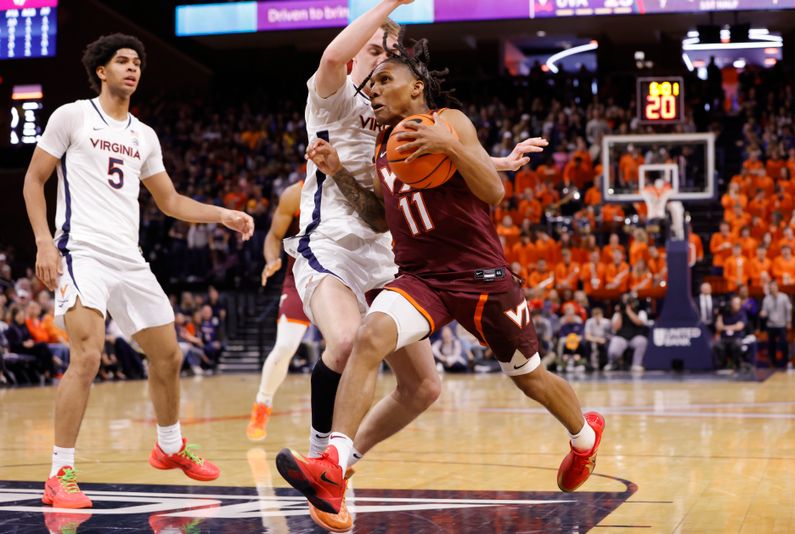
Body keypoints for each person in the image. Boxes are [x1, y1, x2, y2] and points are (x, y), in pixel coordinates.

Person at [276, 36, 604, 516]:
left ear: (416, 87)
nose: (374, 90)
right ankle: (332, 465)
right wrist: (341, 173)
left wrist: (450, 145)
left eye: (384, 80)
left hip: (482, 279)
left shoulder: (450, 122)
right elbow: (379, 218)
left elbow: (492, 191)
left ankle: (584, 437)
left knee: (531, 379)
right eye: (371, 84)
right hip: (420, 278)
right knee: (369, 336)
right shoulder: (383, 147)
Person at [22, 34, 254, 509]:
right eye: (122, 61)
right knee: (86, 356)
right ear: (101, 71)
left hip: (129, 258)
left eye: (137, 63)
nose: (133, 68)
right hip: (80, 251)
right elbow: (33, 179)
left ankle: (169, 447)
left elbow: (169, 202)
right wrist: (45, 242)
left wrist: (222, 215)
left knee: (168, 355)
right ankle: (59, 473)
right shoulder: (72, 115)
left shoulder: (143, 135)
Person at [247, 181, 312, 441]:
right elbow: (273, 236)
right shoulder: (295, 193)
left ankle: (336, 430)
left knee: (344, 350)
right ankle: (263, 402)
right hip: (299, 278)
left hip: (342, 276)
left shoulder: (350, 182)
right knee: (285, 346)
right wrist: (272, 260)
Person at [605, 293, 649, 372]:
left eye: (628, 300)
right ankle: (612, 363)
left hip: (635, 337)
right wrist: (620, 313)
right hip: (622, 337)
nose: (626, 303)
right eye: (624, 301)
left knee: (642, 341)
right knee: (614, 350)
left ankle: (636, 364)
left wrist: (628, 311)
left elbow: (639, 322)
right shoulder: (618, 313)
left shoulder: (640, 312)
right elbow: (616, 327)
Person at [760, 281, 792, 368]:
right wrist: (763, 313)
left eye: (774, 286)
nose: (772, 288)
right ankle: (773, 363)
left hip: (781, 324)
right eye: (771, 287)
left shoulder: (784, 297)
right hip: (771, 325)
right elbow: (764, 311)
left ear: (777, 287)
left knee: (783, 343)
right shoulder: (766, 299)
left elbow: (788, 310)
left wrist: (788, 321)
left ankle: (785, 362)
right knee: (771, 345)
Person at [714, 296, 748, 370]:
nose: (735, 305)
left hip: (737, 337)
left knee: (737, 344)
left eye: (737, 304)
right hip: (724, 338)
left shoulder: (742, 314)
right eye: (734, 303)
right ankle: (722, 366)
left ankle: (737, 365)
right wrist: (720, 314)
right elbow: (718, 327)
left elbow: (739, 327)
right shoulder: (724, 312)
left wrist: (724, 327)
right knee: (718, 345)